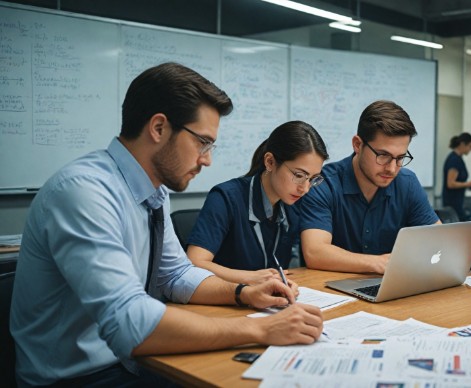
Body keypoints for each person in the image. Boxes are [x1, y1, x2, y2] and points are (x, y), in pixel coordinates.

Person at [10, 63, 323, 387]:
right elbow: (129, 322)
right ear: (158, 128)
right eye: (202, 142)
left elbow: (176, 275)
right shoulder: (83, 193)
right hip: (80, 377)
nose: (207, 159)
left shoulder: (153, 190)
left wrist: (244, 293)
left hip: (132, 362)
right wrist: (259, 329)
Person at [298, 100, 441, 274]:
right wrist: (377, 263)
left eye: (400, 158)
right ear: (358, 145)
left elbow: (438, 240)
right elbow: (315, 252)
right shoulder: (322, 184)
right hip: (333, 290)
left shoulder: (407, 183)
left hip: (390, 288)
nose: (391, 168)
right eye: (383, 156)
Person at [186, 121, 328, 285]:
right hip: (223, 299)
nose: (305, 188)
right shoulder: (225, 198)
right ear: (270, 162)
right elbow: (195, 263)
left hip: (269, 301)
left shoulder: (294, 204)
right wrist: (249, 278)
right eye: (298, 175)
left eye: (312, 179)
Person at [441, 132, 471, 221]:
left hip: (458, 202)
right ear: (463, 144)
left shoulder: (459, 159)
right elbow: (450, 184)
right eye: (470, 146)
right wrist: (469, 184)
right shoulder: (454, 160)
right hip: (452, 204)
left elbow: (460, 184)